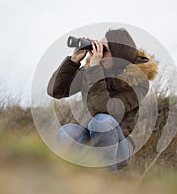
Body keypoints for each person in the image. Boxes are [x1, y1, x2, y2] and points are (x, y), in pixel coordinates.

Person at [47, 28, 158, 170]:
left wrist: (94, 70)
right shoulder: (94, 70)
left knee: (101, 121)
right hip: (88, 134)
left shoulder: (138, 81)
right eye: (98, 47)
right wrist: (73, 61)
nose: (100, 53)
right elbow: (55, 91)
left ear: (119, 52)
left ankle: (104, 178)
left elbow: (107, 110)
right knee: (67, 133)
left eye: (104, 49)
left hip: (119, 145)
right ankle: (66, 178)